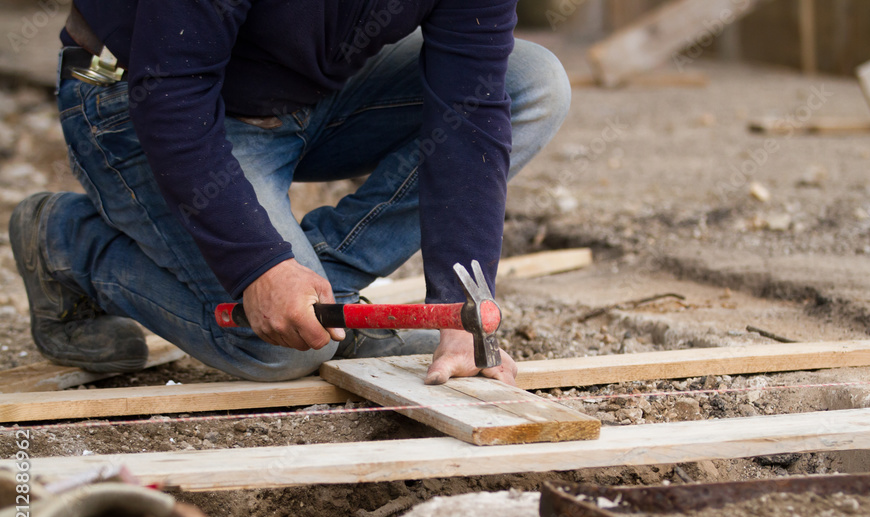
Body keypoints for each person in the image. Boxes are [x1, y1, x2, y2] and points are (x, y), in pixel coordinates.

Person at [10, 1, 570, 387]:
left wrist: (457, 311)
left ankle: (320, 289)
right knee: (274, 349)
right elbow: (172, 98)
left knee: (534, 80)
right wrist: (259, 266)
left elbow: (469, 107)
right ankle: (70, 243)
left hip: (305, 95)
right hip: (138, 98)